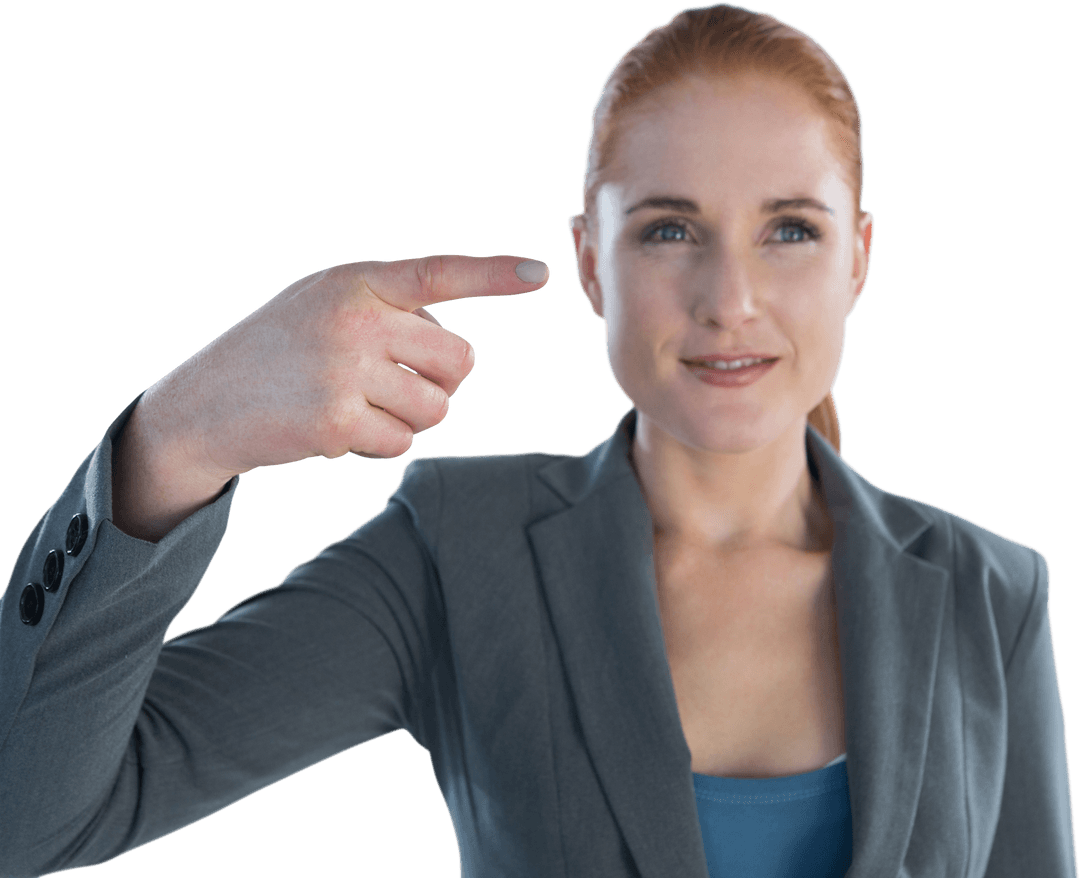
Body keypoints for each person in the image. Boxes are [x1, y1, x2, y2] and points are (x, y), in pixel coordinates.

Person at [0, 3, 1074, 877]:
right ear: (593, 263)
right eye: (669, 229)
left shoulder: (992, 591)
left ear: (859, 259)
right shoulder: (462, 553)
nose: (729, 298)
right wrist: (182, 431)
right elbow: (33, 816)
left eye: (790, 228)